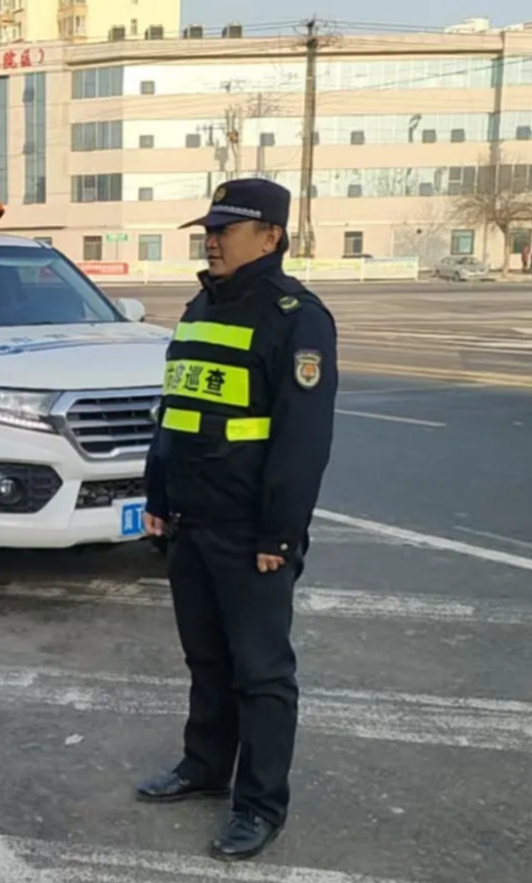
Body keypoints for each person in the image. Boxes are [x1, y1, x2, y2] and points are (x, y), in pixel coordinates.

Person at [135, 177, 339, 861]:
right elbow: (174, 413)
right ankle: (204, 765)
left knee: (261, 673)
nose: (212, 240)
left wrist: (279, 532)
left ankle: (259, 804)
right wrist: (157, 496)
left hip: (251, 532)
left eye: (226, 229)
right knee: (207, 659)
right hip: (190, 520)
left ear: (271, 236)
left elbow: (302, 441)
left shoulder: (296, 317)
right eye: (209, 229)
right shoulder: (201, 305)